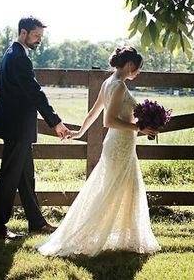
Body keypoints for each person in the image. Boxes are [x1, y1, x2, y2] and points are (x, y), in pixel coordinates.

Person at [37, 46, 161, 256]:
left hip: (118, 145)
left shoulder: (107, 83)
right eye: (138, 68)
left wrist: (80, 132)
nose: (138, 72)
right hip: (119, 145)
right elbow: (108, 120)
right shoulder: (119, 86)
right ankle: (88, 234)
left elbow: (93, 113)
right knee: (112, 191)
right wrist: (139, 128)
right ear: (130, 65)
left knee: (121, 189)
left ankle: (125, 238)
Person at [0, 16, 70, 239]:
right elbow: (35, 92)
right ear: (23, 33)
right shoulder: (18, 58)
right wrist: (56, 122)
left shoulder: (11, 53)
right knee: (8, 178)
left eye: (41, 37)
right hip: (16, 128)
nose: (39, 40)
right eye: (36, 36)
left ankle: (36, 222)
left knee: (25, 177)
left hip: (16, 127)